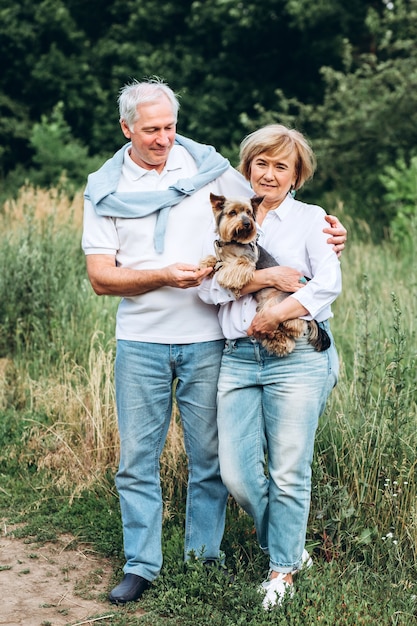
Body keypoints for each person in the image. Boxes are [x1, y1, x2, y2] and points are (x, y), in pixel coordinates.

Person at [82, 78, 346, 605]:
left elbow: (301, 240)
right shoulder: (105, 188)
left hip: (218, 343)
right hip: (153, 340)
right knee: (165, 463)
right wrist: (170, 276)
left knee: (225, 464)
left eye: (170, 127)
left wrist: (333, 235)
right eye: (151, 129)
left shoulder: (213, 173)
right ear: (127, 129)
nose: (162, 139)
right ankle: (142, 565)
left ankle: (216, 558)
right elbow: (108, 278)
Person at [198, 124, 342, 610]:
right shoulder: (227, 216)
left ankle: (282, 570)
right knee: (237, 474)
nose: (270, 173)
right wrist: (263, 277)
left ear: (296, 176)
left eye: (282, 166)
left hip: (296, 356)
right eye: (262, 163)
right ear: (248, 168)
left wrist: (276, 311)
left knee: (288, 470)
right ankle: (291, 546)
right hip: (238, 357)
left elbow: (327, 284)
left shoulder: (313, 220)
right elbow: (208, 289)